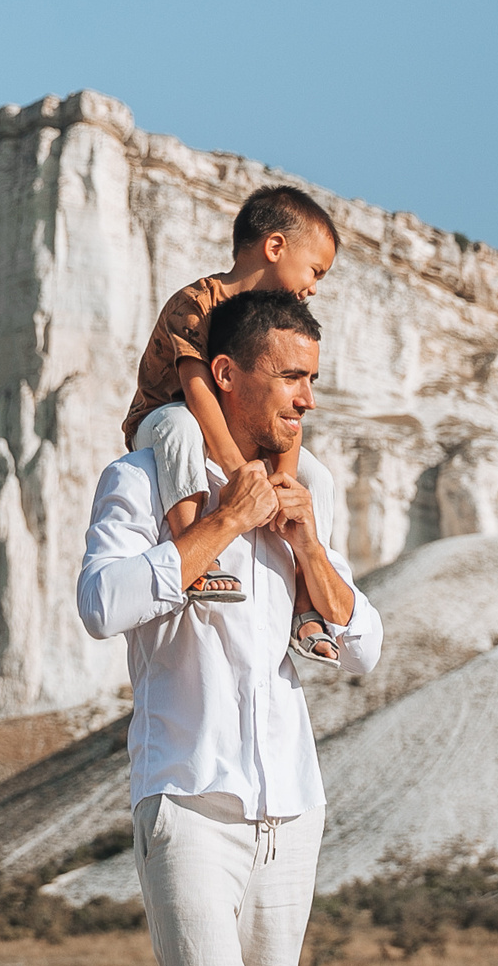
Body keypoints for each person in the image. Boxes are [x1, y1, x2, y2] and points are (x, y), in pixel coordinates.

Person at [77, 287, 385, 966]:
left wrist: (298, 537)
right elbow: (103, 602)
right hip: (187, 805)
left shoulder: (302, 496)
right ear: (230, 374)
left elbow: (361, 647)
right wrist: (221, 523)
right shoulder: (145, 475)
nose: (307, 395)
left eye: (312, 377)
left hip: (286, 814)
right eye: (291, 375)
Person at [120, 185, 344, 669]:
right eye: (315, 270)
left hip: (234, 429)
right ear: (276, 247)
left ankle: (305, 603)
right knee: (180, 423)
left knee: (317, 480)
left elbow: (287, 416)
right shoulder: (197, 303)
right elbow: (197, 390)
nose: (314, 287)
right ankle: (196, 552)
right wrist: (241, 470)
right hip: (162, 417)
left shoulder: (275, 327)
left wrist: (282, 479)